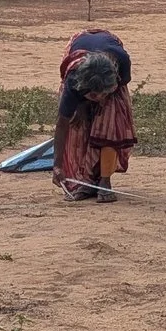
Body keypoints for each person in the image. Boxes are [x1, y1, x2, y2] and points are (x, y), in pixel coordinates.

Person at [53, 28, 135, 202]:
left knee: (110, 127)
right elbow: (62, 123)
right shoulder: (74, 79)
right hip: (81, 54)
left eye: (102, 95)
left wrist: (102, 97)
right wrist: (57, 165)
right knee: (77, 125)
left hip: (111, 64)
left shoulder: (121, 63)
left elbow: (118, 87)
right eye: (93, 96)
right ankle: (86, 180)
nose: (98, 99)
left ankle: (105, 181)